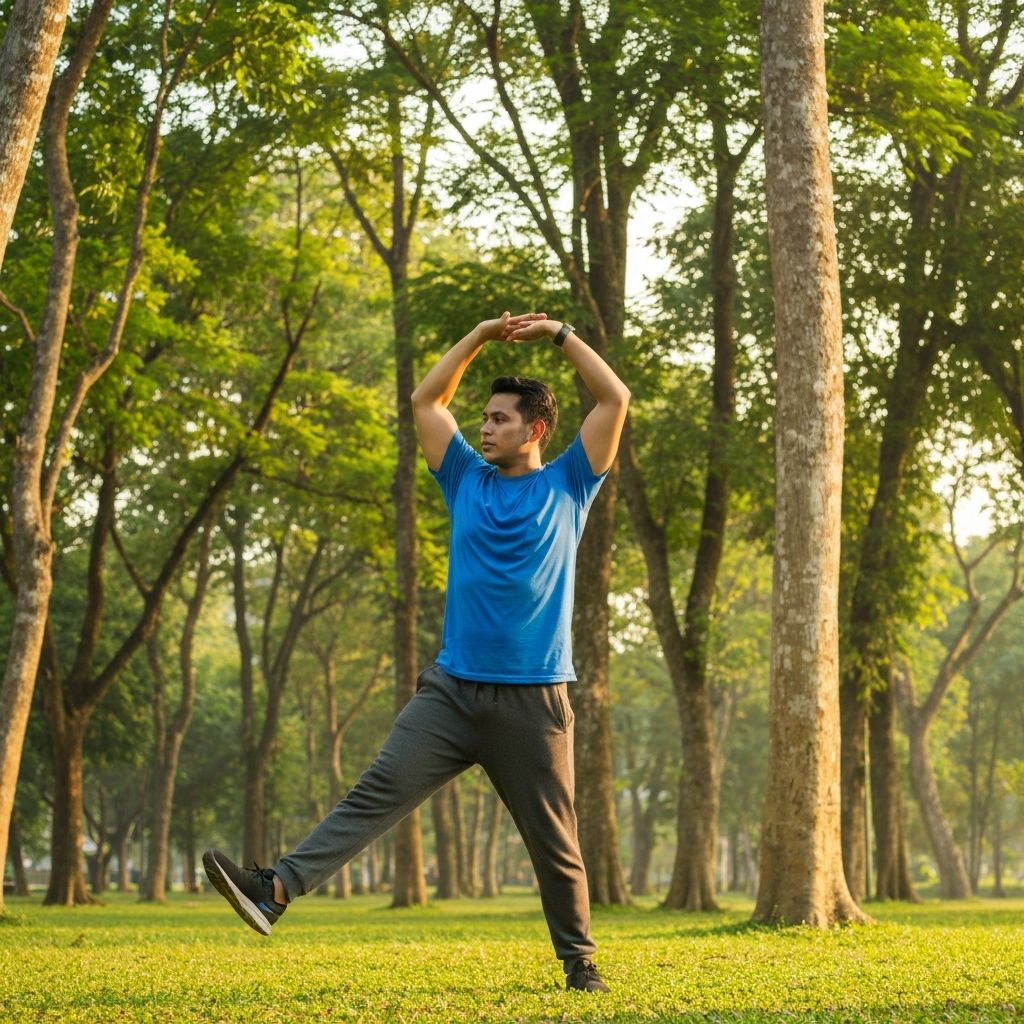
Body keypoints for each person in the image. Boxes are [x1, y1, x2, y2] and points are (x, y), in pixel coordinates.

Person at [203, 311, 630, 993]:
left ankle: (581, 966)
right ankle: (274, 889)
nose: (483, 427)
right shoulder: (464, 478)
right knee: (372, 796)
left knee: (556, 846)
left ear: (536, 429)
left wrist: (558, 335)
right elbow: (425, 401)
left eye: (498, 419)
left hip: (533, 699)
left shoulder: (570, 484)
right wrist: (484, 335)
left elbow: (614, 399)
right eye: (483, 418)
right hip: (452, 692)